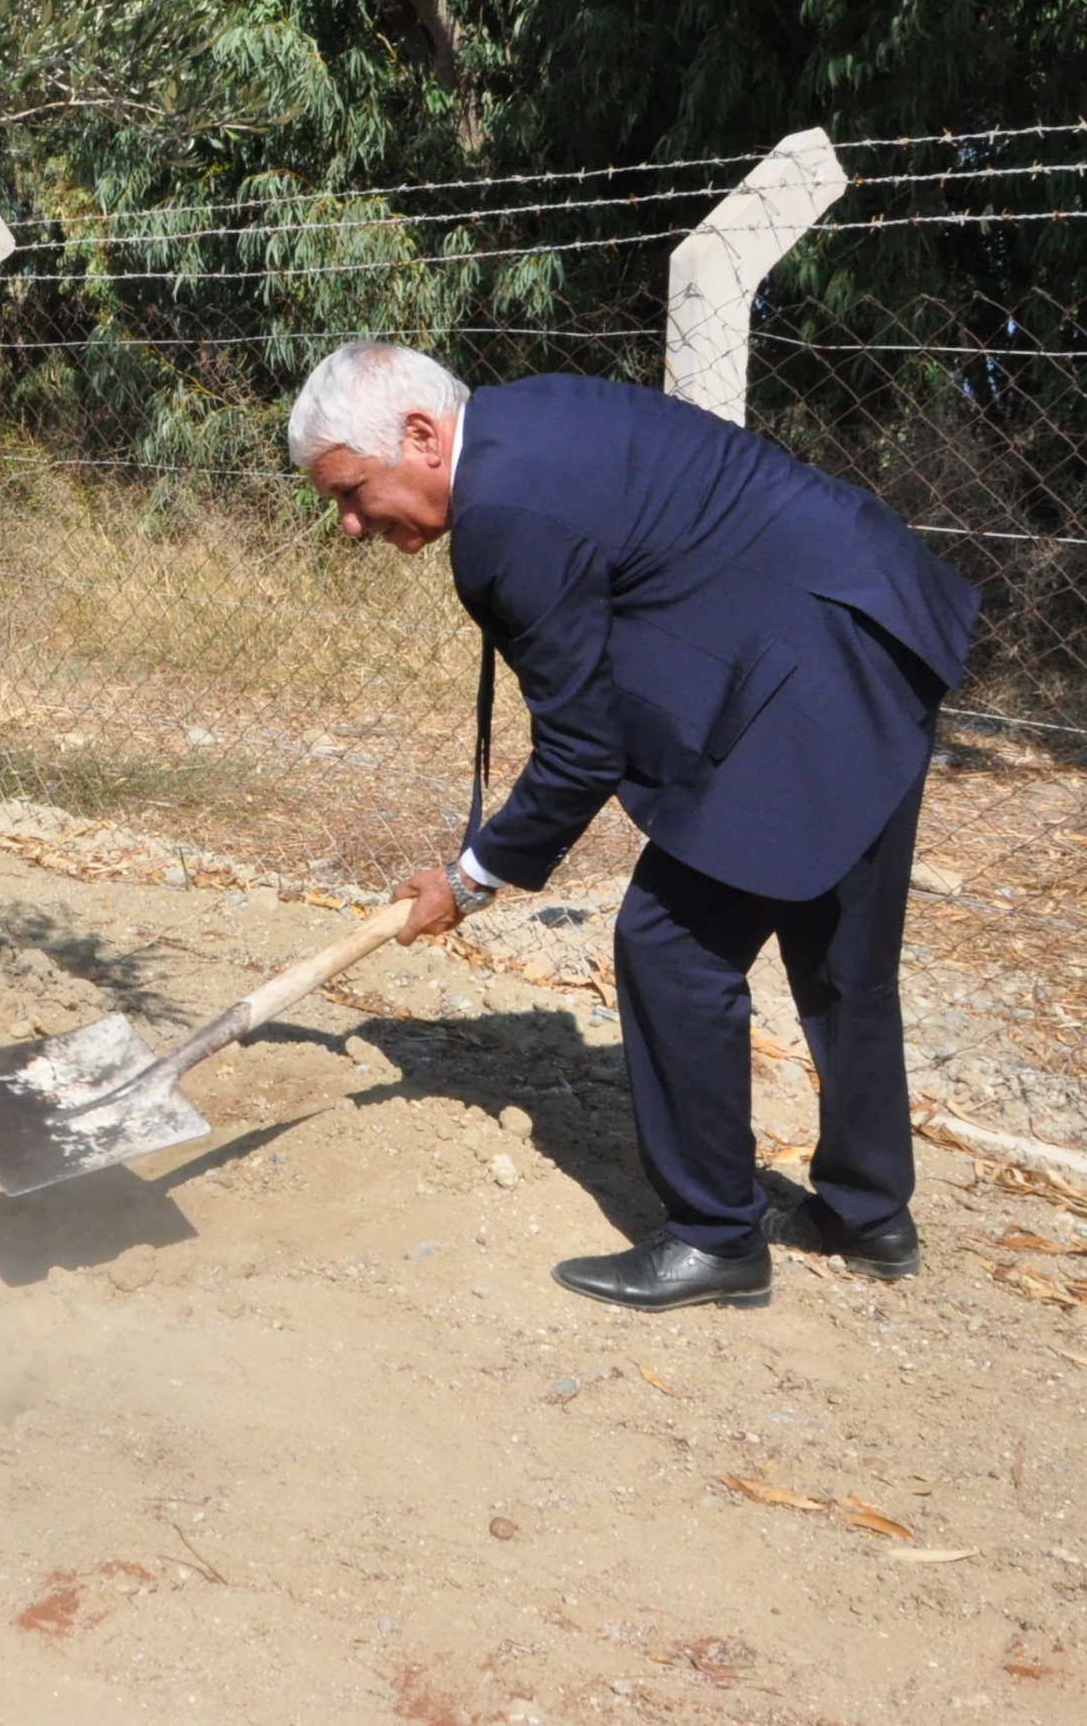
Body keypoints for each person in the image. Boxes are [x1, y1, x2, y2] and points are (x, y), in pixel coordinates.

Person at [288, 340, 979, 1310]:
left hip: (813, 659)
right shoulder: (528, 419)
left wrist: (470, 880)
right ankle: (870, 1216)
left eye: (353, 492)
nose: (352, 524)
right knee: (840, 948)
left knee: (669, 947)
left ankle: (716, 1238)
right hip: (879, 617)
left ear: (419, 436)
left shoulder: (506, 515)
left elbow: (581, 750)